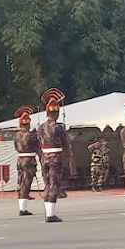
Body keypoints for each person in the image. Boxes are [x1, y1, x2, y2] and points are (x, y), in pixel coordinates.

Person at [38, 88, 74, 223]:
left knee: (47, 184)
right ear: (57, 113)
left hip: (44, 158)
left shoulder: (40, 127)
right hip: (55, 157)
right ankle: (50, 214)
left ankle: (48, 211)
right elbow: (65, 143)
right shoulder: (58, 127)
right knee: (54, 184)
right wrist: (70, 158)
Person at [14, 105, 40, 216]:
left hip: (20, 158)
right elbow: (37, 144)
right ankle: (23, 208)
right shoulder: (30, 135)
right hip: (29, 159)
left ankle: (22, 205)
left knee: (21, 181)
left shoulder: (16, 135)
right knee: (26, 183)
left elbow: (16, 146)